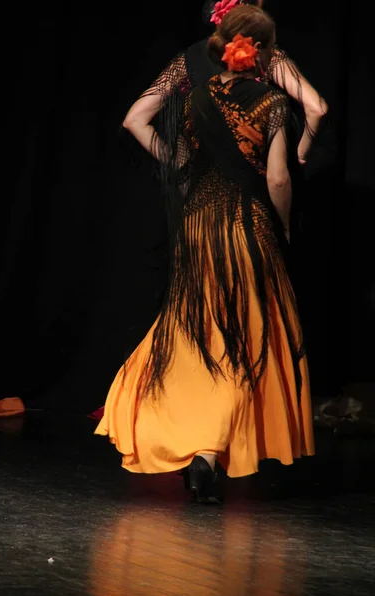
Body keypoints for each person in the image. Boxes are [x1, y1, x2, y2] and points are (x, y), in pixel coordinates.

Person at [95, 5, 314, 503]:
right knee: (244, 336)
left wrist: (178, 166)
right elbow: (278, 178)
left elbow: (138, 121)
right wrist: (280, 226)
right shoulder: (275, 103)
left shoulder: (192, 100)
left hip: (196, 226)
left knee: (193, 325)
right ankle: (209, 453)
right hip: (246, 227)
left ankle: (157, 419)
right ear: (259, 52)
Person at [123, 0, 327, 167]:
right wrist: (297, 160)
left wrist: (179, 164)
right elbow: (317, 109)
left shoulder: (189, 59)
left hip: (203, 197)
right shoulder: (265, 55)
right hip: (253, 191)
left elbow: (134, 120)